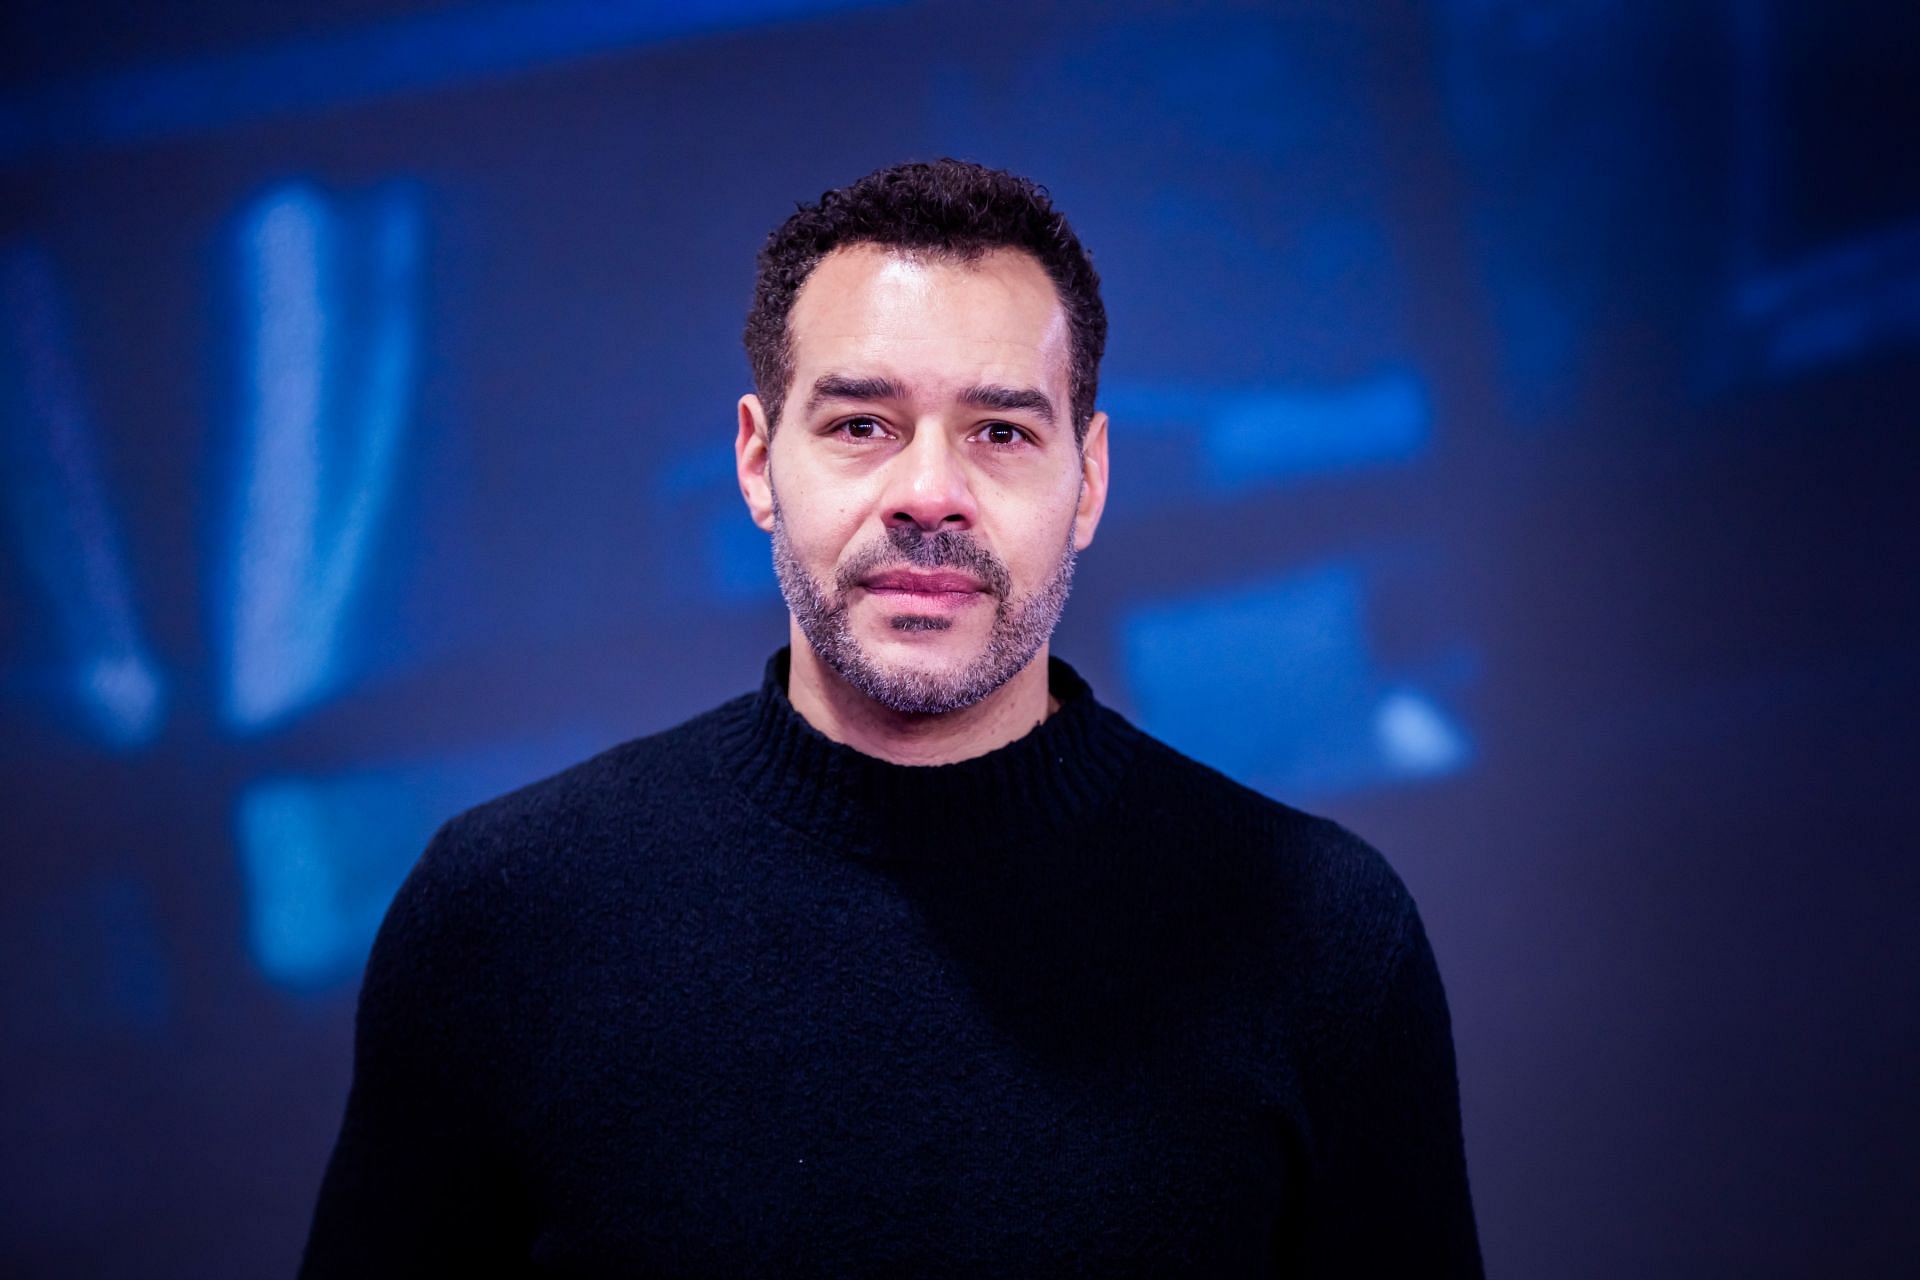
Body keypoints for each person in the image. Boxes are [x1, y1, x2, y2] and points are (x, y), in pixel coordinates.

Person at [299, 158, 1483, 1276]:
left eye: (1002, 431)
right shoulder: (503, 912)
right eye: (863, 423)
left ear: (1092, 480)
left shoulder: (1323, 930)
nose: (929, 492)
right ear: (760, 463)